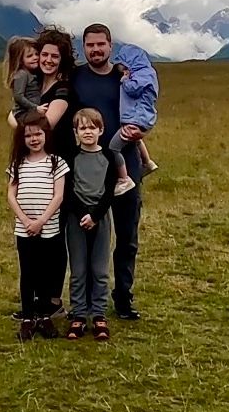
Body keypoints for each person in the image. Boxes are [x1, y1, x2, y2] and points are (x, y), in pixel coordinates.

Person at [71, 23, 144, 320]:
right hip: (88, 172)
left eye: (101, 44)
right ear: (83, 47)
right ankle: (86, 305)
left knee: (127, 237)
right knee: (86, 237)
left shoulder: (125, 77)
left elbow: (145, 108)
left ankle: (123, 297)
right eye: (90, 45)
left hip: (127, 167)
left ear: (110, 46)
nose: (96, 50)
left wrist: (141, 129)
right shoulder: (75, 78)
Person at [7, 25, 76, 320]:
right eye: (43, 54)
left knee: (54, 236)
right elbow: (23, 110)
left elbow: (46, 124)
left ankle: (53, 301)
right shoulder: (34, 81)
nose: (47, 60)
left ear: (62, 59)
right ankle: (34, 300)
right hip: (33, 164)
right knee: (33, 237)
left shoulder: (62, 88)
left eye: (53, 56)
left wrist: (15, 121)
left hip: (56, 167)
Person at [6, 112, 69, 341]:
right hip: (24, 230)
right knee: (28, 273)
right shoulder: (18, 163)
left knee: (45, 274)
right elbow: (11, 195)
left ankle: (44, 317)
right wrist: (25, 221)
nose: (34, 139)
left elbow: (59, 196)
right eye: (29, 135)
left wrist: (41, 221)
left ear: (46, 135)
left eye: (38, 134)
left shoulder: (56, 162)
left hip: (49, 229)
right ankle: (27, 318)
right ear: (22, 138)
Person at [64, 108, 117, 341]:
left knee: (99, 269)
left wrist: (95, 215)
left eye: (92, 127)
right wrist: (83, 214)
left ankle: (98, 314)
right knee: (78, 269)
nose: (88, 132)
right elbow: (67, 191)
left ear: (101, 130)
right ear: (76, 132)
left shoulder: (109, 157)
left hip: (101, 218)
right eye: (82, 128)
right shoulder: (70, 158)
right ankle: (78, 315)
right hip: (76, 219)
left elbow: (109, 191)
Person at [108, 43, 159, 196]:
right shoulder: (149, 73)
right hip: (140, 117)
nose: (123, 69)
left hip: (136, 117)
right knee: (135, 139)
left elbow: (133, 89)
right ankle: (148, 162)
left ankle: (124, 179)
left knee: (114, 147)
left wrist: (124, 80)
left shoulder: (142, 75)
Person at [2, 36, 48, 124]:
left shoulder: (33, 73)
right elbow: (18, 96)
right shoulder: (21, 74)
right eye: (29, 56)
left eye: (36, 54)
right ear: (20, 60)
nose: (35, 58)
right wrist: (35, 108)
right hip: (23, 114)